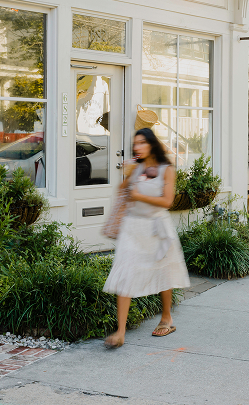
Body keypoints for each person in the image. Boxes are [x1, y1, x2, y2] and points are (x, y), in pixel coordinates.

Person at [103, 128, 190, 348]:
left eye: (141, 143)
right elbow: (123, 193)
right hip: (132, 227)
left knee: (164, 271)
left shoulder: (166, 169)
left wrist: (138, 194)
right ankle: (120, 332)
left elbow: (167, 201)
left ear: (151, 144)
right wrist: (126, 176)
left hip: (156, 227)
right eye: (135, 143)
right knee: (126, 272)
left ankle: (167, 318)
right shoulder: (137, 167)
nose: (136, 147)